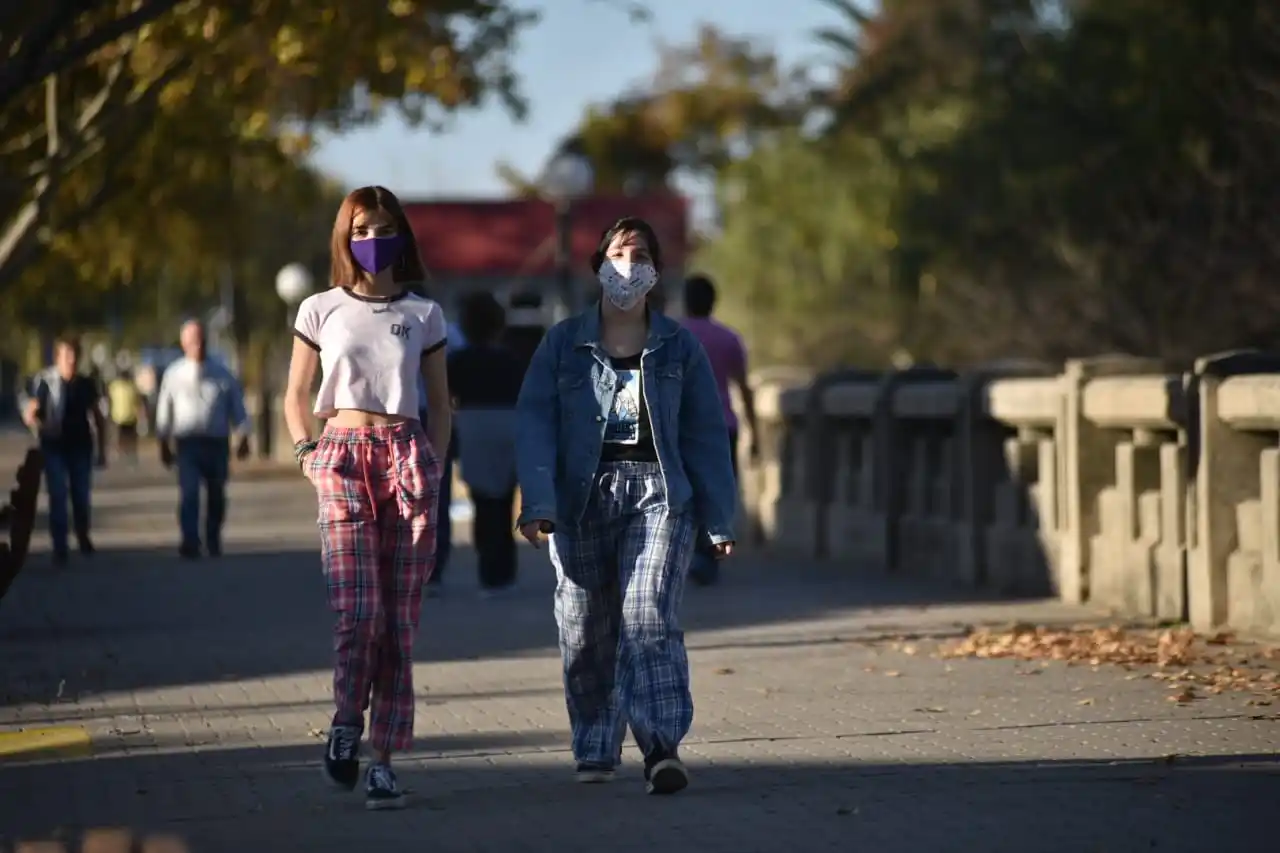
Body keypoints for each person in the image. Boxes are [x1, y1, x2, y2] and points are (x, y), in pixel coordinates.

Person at [515, 216, 738, 795]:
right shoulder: (562, 343)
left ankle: (661, 745)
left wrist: (718, 518)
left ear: (656, 272)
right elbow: (534, 425)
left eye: (641, 255)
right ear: (598, 266)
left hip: (659, 493)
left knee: (647, 614)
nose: (628, 264)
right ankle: (595, 740)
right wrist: (539, 501)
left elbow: (705, 433)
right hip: (580, 496)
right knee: (586, 627)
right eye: (618, 252)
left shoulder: (678, 345)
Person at [284, 185, 451, 810]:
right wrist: (308, 455)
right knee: (360, 614)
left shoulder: (426, 315)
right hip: (344, 459)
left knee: (399, 627)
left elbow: (439, 402)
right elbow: (294, 394)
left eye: (383, 230)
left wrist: (432, 467)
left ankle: (383, 759)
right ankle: (346, 720)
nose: (373, 242)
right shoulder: (318, 308)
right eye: (361, 230)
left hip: (407, 459)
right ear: (344, 237)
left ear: (402, 235)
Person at [680, 274, 761, 586]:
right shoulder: (729, 338)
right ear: (713, 303)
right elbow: (744, 388)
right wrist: (753, 431)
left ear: (686, 302)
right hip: (722, 427)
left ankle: (693, 554)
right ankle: (707, 555)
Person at [154, 320, 251, 559]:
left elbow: (237, 408)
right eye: (191, 341)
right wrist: (163, 442)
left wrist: (243, 435)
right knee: (189, 493)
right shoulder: (174, 374)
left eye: (200, 340)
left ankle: (212, 537)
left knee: (216, 493)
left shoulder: (222, 373)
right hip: (187, 443)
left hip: (216, 443)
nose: (197, 345)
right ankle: (189, 540)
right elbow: (164, 410)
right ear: (184, 344)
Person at [448, 292, 524, 595]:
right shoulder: (513, 358)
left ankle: (488, 572)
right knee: (505, 500)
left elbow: (446, 395)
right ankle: (506, 571)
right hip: (509, 424)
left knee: (482, 501)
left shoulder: (458, 361)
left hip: (472, 425)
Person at [20, 336, 107, 564]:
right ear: (58, 358)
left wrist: (103, 448)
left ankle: (82, 533)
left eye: (74, 355)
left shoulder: (86, 384)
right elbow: (32, 411)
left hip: (80, 446)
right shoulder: (46, 382)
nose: (71, 360)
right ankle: (60, 545)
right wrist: (36, 422)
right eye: (66, 355)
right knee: (57, 495)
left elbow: (97, 416)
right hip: (54, 446)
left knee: (80, 495)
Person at [423, 318, 466, 598]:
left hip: (421, 413)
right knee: (438, 493)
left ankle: (424, 566)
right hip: (430, 412)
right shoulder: (442, 324)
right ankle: (432, 566)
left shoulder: (437, 321)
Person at [107, 368, 144, 463]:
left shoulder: (114, 386)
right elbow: (138, 402)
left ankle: (121, 456)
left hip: (118, 417)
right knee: (130, 438)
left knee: (120, 438)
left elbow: (109, 401)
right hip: (130, 417)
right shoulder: (133, 387)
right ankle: (131, 456)